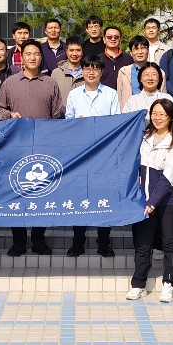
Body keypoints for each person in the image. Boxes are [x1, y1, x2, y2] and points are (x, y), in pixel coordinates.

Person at [0, 41, 64, 256]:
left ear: (41, 57)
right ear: (21, 57)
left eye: (36, 54)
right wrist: (9, 115)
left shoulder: (51, 83)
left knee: (42, 192)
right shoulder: (10, 83)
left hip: (44, 146)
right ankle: (18, 241)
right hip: (17, 146)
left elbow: (59, 113)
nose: (32, 57)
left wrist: (49, 129)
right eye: (28, 54)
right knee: (17, 191)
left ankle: (38, 240)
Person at [127, 98, 173, 302]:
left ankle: (168, 284)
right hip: (145, 202)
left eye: (162, 114)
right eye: (154, 113)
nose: (157, 118)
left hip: (168, 202)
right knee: (143, 243)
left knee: (169, 243)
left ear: (170, 117)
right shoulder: (145, 137)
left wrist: (152, 202)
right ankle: (138, 284)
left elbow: (169, 177)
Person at [65, 55, 120, 258]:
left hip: (104, 156)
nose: (91, 72)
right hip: (80, 155)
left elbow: (116, 124)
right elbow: (68, 123)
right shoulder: (74, 95)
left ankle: (103, 242)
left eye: (95, 68)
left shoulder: (111, 94)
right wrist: (77, 124)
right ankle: (78, 242)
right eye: (87, 68)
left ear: (101, 72)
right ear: (82, 71)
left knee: (103, 198)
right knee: (79, 197)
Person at [116, 35, 151, 107]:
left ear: (148, 50)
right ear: (131, 53)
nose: (140, 52)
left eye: (143, 48)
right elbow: (119, 95)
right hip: (130, 111)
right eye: (136, 49)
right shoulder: (123, 72)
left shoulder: (158, 72)